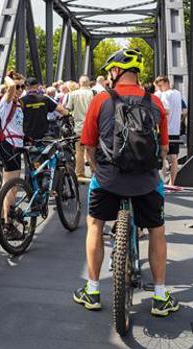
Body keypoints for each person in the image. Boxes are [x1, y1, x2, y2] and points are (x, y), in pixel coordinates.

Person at [74, 49, 179, 316]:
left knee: (95, 225)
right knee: (157, 230)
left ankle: (93, 290)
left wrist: (98, 169)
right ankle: (160, 296)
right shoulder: (154, 101)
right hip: (146, 181)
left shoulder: (101, 100)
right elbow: (164, 148)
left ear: (115, 71)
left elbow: (87, 145)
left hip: (109, 179)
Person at [0, 71, 27, 239]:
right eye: (18, 86)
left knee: (6, 185)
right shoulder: (6, 101)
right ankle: (8, 225)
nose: (20, 89)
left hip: (14, 144)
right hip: (10, 145)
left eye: (23, 86)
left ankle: (1, 221)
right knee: (12, 188)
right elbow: (9, 86)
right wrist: (9, 77)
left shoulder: (17, 103)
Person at [154, 75, 186, 186]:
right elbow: (184, 110)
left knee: (162, 155)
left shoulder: (165, 95)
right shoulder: (177, 93)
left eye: (160, 85)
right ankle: (172, 183)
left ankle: (161, 181)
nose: (159, 88)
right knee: (174, 157)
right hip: (175, 129)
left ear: (166, 83)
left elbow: (166, 111)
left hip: (166, 130)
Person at [65, 75, 95, 179]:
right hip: (91, 126)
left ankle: (79, 172)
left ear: (79, 83)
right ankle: (94, 171)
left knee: (79, 151)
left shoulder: (73, 94)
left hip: (78, 126)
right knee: (91, 150)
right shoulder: (93, 93)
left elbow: (68, 108)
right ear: (88, 83)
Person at [20, 77, 68, 142]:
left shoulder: (21, 101)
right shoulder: (45, 99)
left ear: (26, 87)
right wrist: (68, 114)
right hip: (43, 134)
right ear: (37, 86)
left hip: (27, 135)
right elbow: (61, 110)